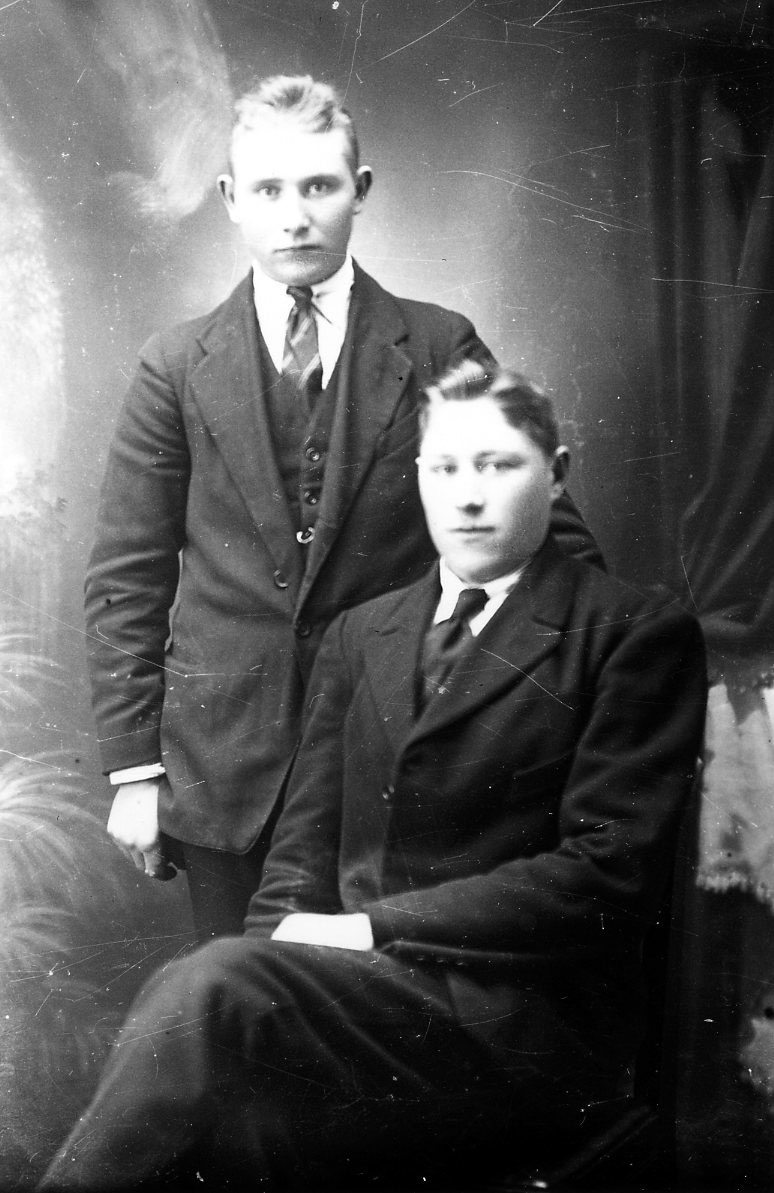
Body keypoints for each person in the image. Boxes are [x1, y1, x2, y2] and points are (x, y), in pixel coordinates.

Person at [43, 362, 706, 1190]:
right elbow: (299, 856)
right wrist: (274, 978)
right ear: (418, 476)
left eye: (499, 465)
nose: (469, 497)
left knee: (213, 989)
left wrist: (370, 929)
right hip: (361, 1009)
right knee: (236, 1091)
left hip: (516, 1025)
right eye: (445, 468)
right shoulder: (364, 633)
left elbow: (607, 876)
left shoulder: (631, 632)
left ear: (558, 472)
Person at [85, 75, 600, 940]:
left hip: (401, 754)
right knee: (242, 1000)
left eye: (319, 186)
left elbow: (549, 534)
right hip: (225, 776)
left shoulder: (436, 344)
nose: (294, 216)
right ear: (230, 200)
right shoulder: (173, 367)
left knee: (389, 1002)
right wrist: (135, 771)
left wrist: (584, 697)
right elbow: (126, 578)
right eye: (269, 191)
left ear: (359, 191)